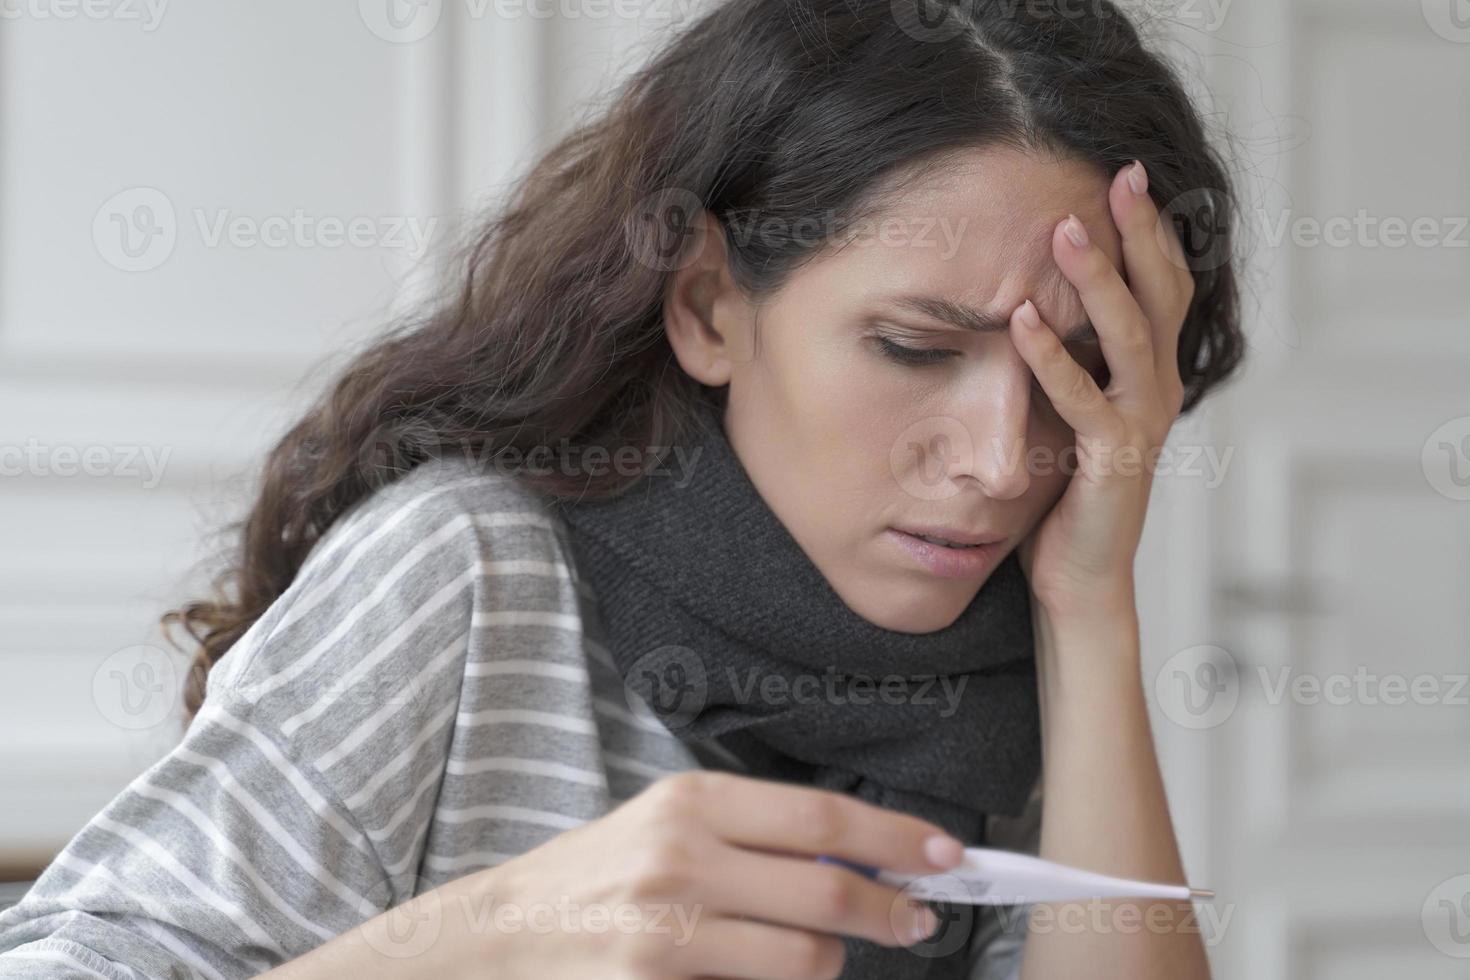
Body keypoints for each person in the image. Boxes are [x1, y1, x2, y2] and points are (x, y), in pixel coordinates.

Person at [0, 0, 1244, 976]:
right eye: (915, 348)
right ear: (708, 304)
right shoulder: (473, 571)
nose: (995, 458)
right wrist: (481, 943)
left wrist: (1092, 610)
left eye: (1073, 371)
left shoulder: (1010, 654)